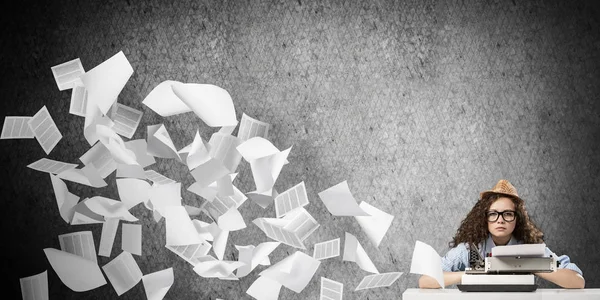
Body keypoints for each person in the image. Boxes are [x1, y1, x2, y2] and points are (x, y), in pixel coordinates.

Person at [418, 179, 585, 289]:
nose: (500, 220)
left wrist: (528, 264)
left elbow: (577, 281)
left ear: (517, 219)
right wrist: (473, 273)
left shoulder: (530, 249)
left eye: (508, 214)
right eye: (493, 214)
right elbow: (425, 281)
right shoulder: (470, 250)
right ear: (484, 218)